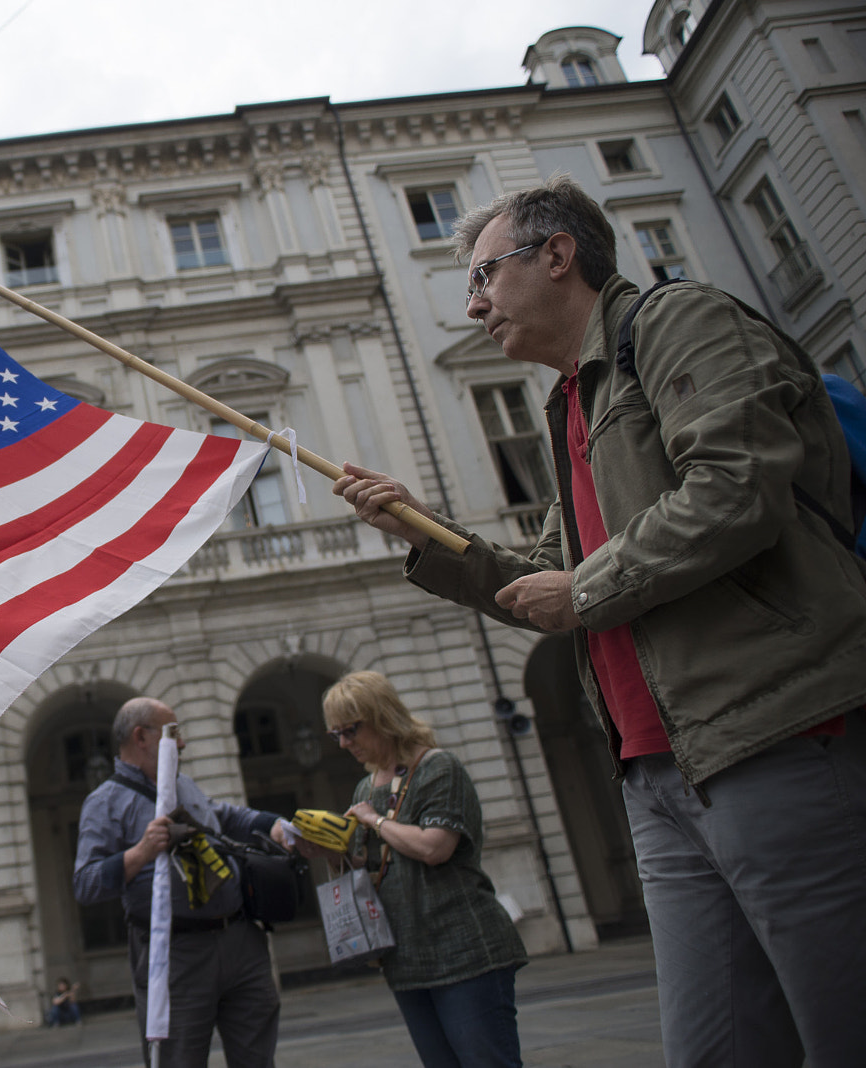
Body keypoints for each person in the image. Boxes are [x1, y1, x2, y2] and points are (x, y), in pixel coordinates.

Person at [332, 174, 866, 1068]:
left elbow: (736, 488)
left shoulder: (677, 321)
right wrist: (420, 531)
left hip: (775, 732)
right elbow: (541, 579)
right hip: (655, 771)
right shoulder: (569, 402)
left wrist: (583, 591)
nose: (472, 306)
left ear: (557, 254)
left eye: (483, 277)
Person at [72, 696, 292, 1068]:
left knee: (258, 1058)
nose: (184, 742)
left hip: (241, 941)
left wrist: (274, 824)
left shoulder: (183, 785)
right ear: (141, 737)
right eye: (174, 732)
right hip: (176, 955)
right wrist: (140, 852)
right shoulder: (104, 803)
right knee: (179, 1060)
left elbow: (224, 816)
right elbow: (86, 883)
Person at [322, 671, 525, 1066]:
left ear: (382, 717)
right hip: (406, 957)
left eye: (350, 731)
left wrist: (375, 821)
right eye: (336, 736)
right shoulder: (366, 788)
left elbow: (436, 848)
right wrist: (333, 853)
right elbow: (372, 866)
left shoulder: (437, 768)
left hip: (463, 947)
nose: (345, 744)